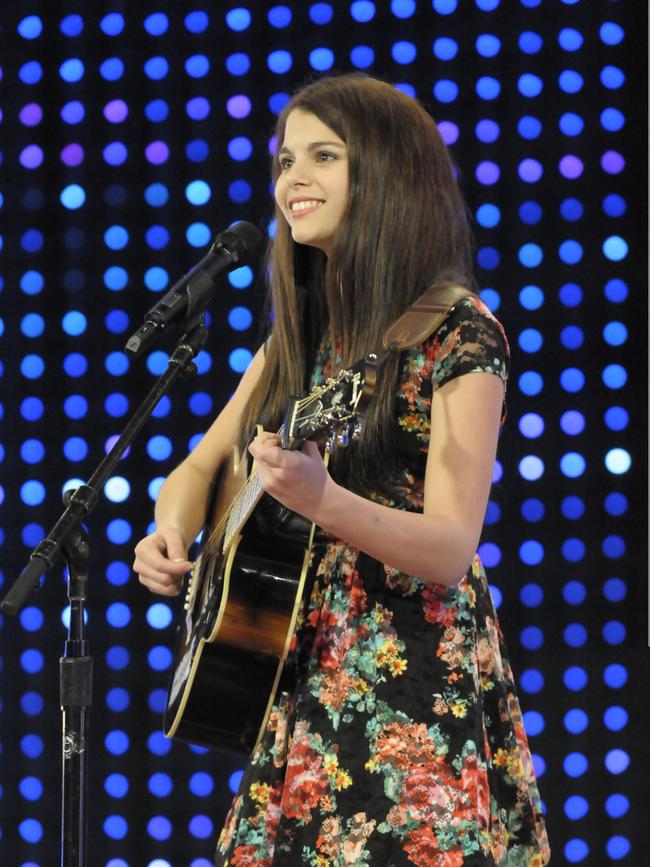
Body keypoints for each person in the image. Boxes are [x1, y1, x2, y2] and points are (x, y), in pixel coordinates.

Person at [134, 74, 550, 867]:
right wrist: (174, 528)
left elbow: (449, 546)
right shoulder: (302, 330)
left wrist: (323, 501)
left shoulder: (461, 333)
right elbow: (198, 466)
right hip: (299, 671)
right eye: (285, 160)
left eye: (323, 156)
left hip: (409, 681)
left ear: (390, 171)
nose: (293, 179)